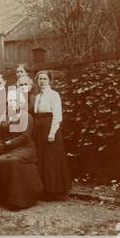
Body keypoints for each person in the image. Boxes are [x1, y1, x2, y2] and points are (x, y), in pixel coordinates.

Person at [0, 90, 43, 209]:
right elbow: (1, 135)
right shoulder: (6, 117)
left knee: (13, 161)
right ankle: (7, 198)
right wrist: (1, 144)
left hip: (25, 148)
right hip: (9, 148)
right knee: (1, 160)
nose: (12, 103)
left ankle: (21, 200)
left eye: (15, 101)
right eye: (10, 100)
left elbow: (25, 136)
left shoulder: (27, 116)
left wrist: (7, 144)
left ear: (21, 103)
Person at [33, 70, 71, 200]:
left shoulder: (54, 95)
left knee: (51, 160)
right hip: (39, 129)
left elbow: (57, 115)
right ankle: (44, 190)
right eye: (40, 79)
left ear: (49, 80)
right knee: (41, 159)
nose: (42, 81)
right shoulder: (37, 97)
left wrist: (52, 133)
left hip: (49, 128)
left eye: (44, 79)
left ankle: (54, 191)